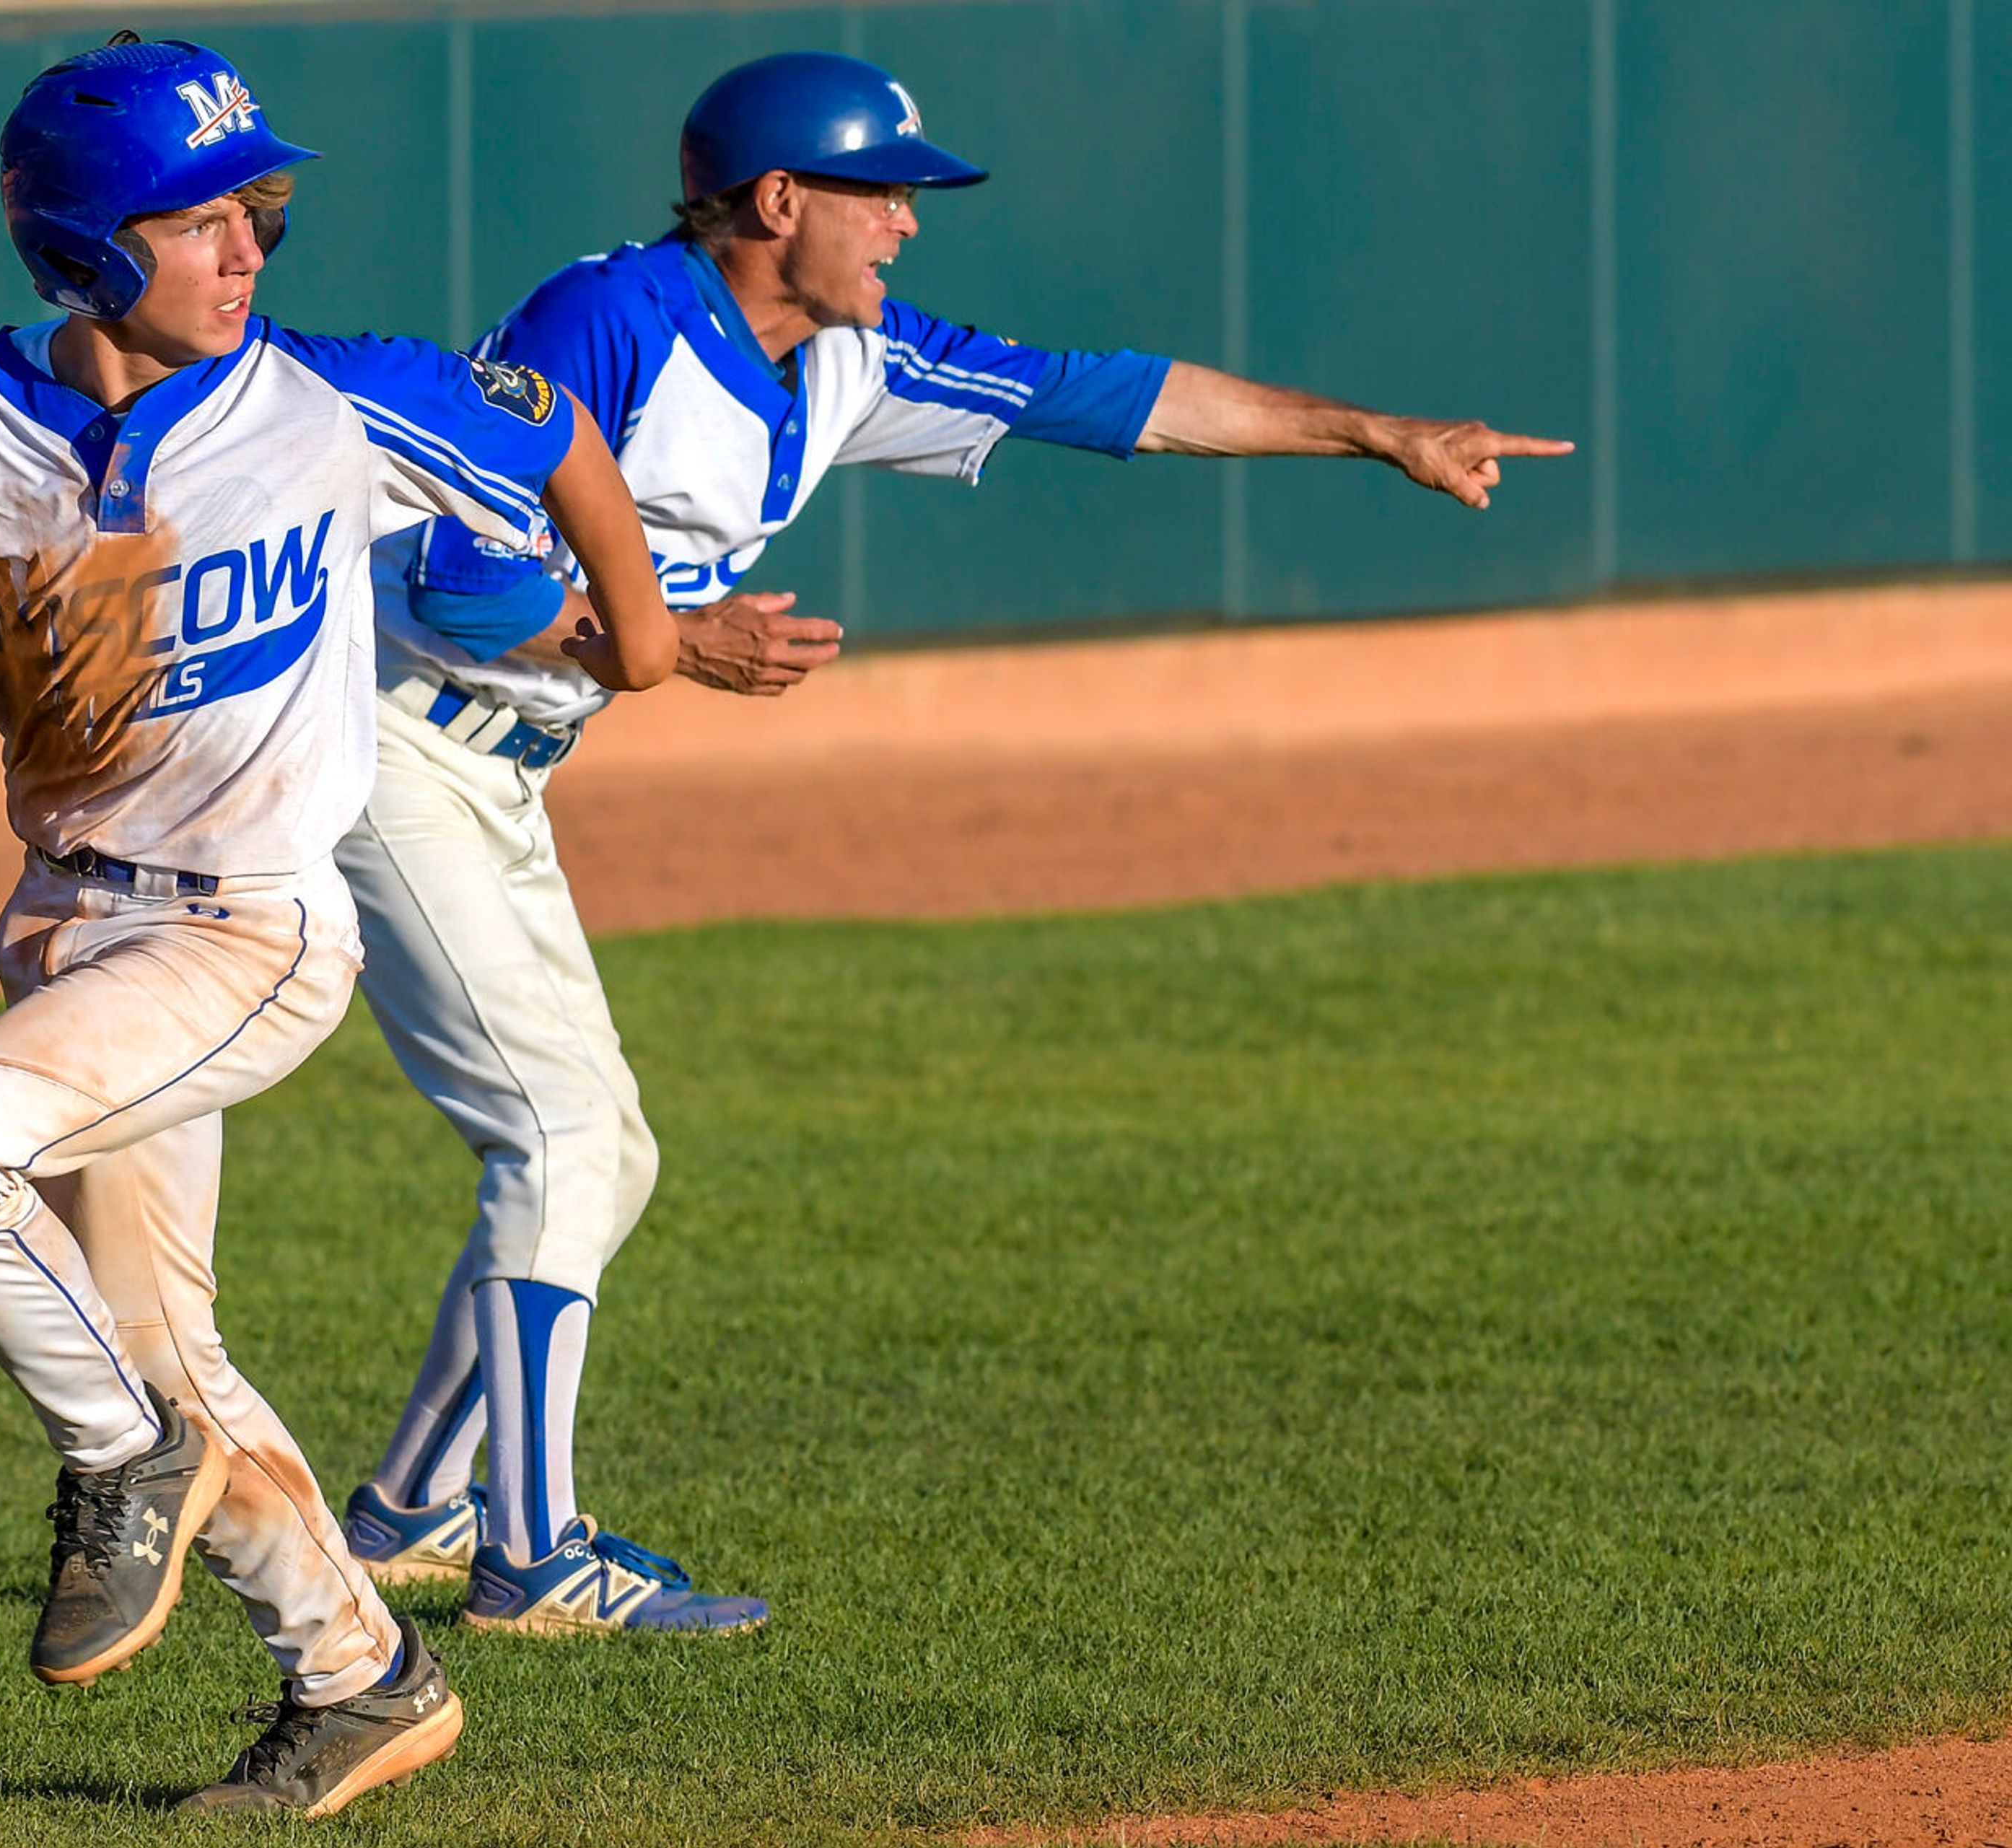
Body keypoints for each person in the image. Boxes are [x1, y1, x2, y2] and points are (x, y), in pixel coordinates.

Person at [334, 51, 1573, 1634]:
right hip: (387, 740)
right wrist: (673, 636)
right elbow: (449, 571)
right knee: (562, 1140)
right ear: (780, 202)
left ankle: (410, 1515)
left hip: (497, 766)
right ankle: (530, 1559)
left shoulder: (847, 355)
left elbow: (1108, 395)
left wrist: (1374, 433)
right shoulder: (614, 322)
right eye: (885, 194)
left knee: (599, 1147)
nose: (910, 227)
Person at [0, 35, 675, 1815]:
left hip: (254, 934)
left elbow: (551, 426)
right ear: (84, 248)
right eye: (197, 220)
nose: (248, 247)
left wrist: (643, 633)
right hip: (73, 938)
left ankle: (123, 1460)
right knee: (164, 1340)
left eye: (254, 208)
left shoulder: (331, 401)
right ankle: (362, 1680)